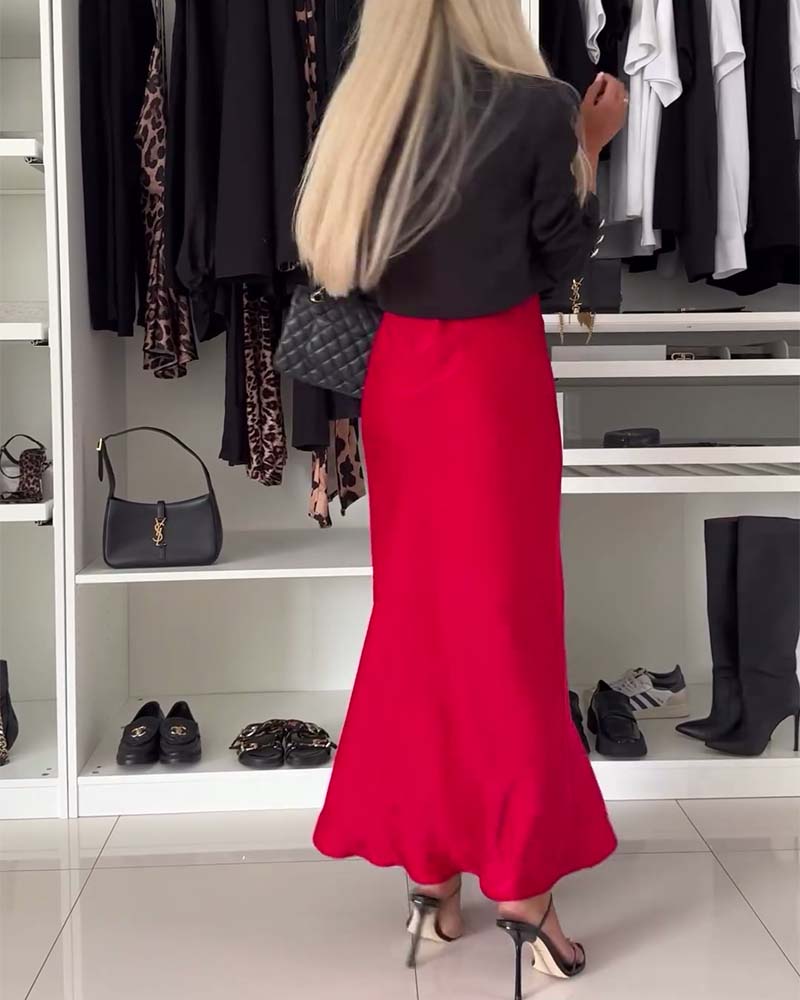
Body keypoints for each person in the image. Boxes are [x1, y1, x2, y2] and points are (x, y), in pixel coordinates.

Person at [295, 0, 627, 993]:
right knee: (506, 628)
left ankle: (432, 883)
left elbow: (345, 261)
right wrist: (588, 148)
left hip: (401, 379)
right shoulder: (538, 107)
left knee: (421, 624)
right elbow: (560, 257)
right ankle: (522, 892)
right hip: (492, 381)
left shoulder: (369, 104)